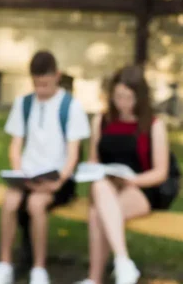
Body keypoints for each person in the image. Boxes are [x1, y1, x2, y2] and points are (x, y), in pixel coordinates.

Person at [0, 51, 91, 284]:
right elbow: (16, 145)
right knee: (10, 202)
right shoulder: (24, 103)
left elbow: (73, 154)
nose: (41, 90)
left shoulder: (71, 106)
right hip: (27, 175)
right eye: (36, 84)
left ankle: (39, 268)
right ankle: (5, 262)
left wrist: (57, 182)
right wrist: (19, 173)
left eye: (45, 84)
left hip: (59, 179)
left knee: (36, 205)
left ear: (57, 76)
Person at [76, 65, 171, 284]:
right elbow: (94, 159)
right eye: (118, 96)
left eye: (129, 98)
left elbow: (161, 172)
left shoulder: (154, 125)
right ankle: (123, 263)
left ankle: (96, 278)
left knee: (97, 214)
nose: (123, 103)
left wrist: (132, 180)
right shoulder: (101, 120)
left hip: (141, 187)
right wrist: (94, 170)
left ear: (140, 97)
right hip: (105, 186)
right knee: (100, 188)